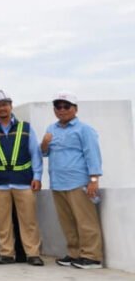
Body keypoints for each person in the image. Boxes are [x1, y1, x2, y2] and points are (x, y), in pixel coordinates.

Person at [0, 90, 44, 266]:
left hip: (23, 181)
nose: (1, 109)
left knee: (29, 220)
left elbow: (35, 153)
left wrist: (37, 176)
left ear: (11, 106)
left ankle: (33, 253)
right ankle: (6, 253)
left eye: (4, 105)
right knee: (3, 221)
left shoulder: (25, 128)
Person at [42, 91, 104, 269]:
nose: (62, 110)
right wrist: (44, 143)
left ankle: (92, 256)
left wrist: (94, 179)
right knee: (67, 222)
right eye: (58, 106)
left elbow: (92, 154)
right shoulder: (51, 129)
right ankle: (74, 253)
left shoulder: (84, 129)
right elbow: (44, 153)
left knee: (86, 221)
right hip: (58, 182)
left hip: (78, 182)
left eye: (66, 106)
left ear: (75, 109)